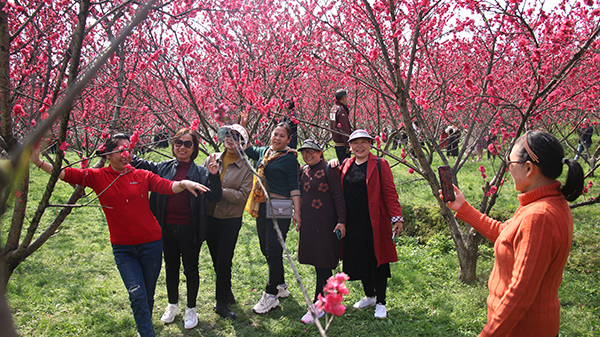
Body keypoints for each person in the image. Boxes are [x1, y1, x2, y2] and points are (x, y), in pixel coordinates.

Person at [30, 134, 210, 337]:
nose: (127, 155)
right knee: (137, 293)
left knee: (147, 295)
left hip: (151, 244)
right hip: (123, 249)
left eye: (129, 151)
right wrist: (38, 162)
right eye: (121, 150)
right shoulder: (98, 177)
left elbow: (166, 186)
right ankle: (147, 333)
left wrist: (184, 183)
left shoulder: (141, 175)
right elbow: (66, 174)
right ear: (108, 154)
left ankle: (145, 328)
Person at [441, 131, 584, 337]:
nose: (508, 167)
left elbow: (520, 293)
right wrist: (464, 208)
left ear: (528, 168)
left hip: (520, 328)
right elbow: (508, 234)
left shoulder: (539, 216)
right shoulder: (545, 204)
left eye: (511, 161)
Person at [130, 128, 222, 330]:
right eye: (178, 142)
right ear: (173, 145)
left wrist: (214, 176)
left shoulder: (201, 172)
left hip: (191, 229)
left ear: (194, 148)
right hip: (165, 228)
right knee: (171, 267)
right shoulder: (163, 168)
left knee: (191, 268)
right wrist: (124, 147)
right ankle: (173, 305)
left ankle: (191, 308)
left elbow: (215, 197)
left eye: (187, 144)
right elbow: (139, 163)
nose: (182, 147)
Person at [336, 129, 404, 319]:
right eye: (355, 143)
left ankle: (381, 302)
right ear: (349, 146)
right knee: (361, 259)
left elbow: (390, 193)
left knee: (378, 261)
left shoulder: (380, 164)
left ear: (370, 144)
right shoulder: (346, 165)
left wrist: (396, 217)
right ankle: (370, 296)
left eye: (364, 142)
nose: (359, 146)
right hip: (353, 222)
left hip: (374, 222)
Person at [244, 122, 301, 314]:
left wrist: (297, 212)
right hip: (262, 203)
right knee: (266, 248)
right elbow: (246, 148)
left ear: (288, 139)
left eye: (282, 136)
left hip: (281, 206)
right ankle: (281, 286)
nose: (277, 138)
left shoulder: (290, 159)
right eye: (275, 134)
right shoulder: (264, 152)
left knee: (273, 249)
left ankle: (270, 295)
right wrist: (244, 125)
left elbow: (294, 186)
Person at [201, 124, 253, 320]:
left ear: (243, 143)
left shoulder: (247, 167)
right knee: (216, 259)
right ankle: (227, 293)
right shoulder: (212, 159)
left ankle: (220, 302)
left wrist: (218, 192)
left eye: (236, 137)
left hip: (230, 219)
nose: (231, 140)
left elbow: (242, 195)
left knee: (224, 260)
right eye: (228, 136)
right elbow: (204, 179)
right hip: (210, 216)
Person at [296, 139, 346, 324]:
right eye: (304, 152)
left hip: (326, 224)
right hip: (309, 224)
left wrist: (341, 221)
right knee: (319, 265)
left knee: (323, 265)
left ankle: (319, 306)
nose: (308, 155)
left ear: (320, 152)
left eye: (312, 151)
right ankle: (326, 300)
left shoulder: (328, 169)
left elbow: (339, 197)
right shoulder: (303, 170)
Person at [329, 89, 352, 162]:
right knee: (345, 165)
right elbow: (344, 128)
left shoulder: (333, 108)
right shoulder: (341, 110)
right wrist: (348, 144)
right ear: (343, 97)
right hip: (343, 144)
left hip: (337, 143)